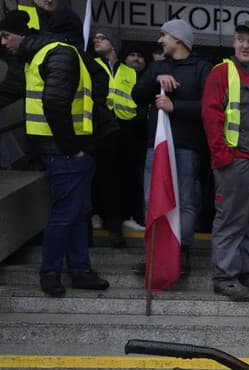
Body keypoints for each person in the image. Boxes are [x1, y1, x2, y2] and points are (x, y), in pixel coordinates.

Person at [0, 10, 109, 296]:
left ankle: (78, 270)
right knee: (68, 214)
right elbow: (39, 102)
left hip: (63, 150)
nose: (2, 43)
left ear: (22, 34)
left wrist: (72, 149)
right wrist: (72, 148)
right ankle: (57, 272)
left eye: (5, 36)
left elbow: (45, 102)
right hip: (66, 152)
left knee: (75, 213)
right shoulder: (45, 56)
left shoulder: (46, 56)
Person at [201, 21, 249, 300]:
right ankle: (225, 277)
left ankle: (245, 273)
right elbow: (211, 116)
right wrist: (222, 157)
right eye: (240, 39)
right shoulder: (222, 73)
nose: (245, 45)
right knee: (231, 222)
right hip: (236, 163)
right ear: (234, 43)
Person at [132, 18, 211, 275]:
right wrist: (156, 75)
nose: (159, 40)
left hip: (187, 147)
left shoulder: (202, 68)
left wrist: (175, 107)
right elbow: (137, 94)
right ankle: (154, 253)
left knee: (186, 201)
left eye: (164, 35)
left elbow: (209, 107)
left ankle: (181, 252)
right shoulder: (158, 66)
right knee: (152, 199)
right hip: (155, 148)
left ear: (178, 39)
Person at [91, 27, 145, 248]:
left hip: (124, 130)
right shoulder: (90, 66)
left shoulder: (130, 72)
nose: (97, 40)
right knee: (101, 176)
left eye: (102, 38)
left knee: (123, 177)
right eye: (95, 38)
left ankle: (120, 219)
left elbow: (136, 101)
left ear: (113, 44)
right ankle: (104, 220)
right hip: (98, 129)